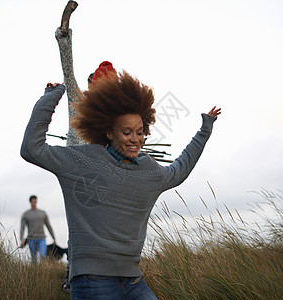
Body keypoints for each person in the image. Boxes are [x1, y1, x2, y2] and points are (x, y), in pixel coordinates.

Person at [20, 64, 221, 299]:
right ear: (109, 132)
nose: (135, 139)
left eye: (140, 132)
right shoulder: (79, 161)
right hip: (91, 280)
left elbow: (180, 168)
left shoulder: (149, 171)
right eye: (127, 133)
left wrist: (205, 129)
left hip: (133, 280)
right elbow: (31, 149)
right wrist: (51, 97)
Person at [20, 195, 56, 263]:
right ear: (30, 202)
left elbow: (48, 226)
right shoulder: (26, 214)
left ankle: (43, 271)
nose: (34, 203)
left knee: (43, 255)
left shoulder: (42, 213)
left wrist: (53, 238)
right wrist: (21, 239)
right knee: (34, 258)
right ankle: (35, 272)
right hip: (31, 239)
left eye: (35, 202)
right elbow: (22, 227)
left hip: (41, 238)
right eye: (33, 202)